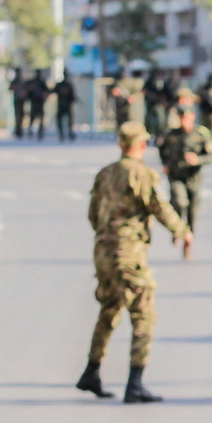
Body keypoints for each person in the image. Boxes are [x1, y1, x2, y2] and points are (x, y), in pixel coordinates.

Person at [77, 122, 191, 403]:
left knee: (110, 308)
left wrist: (107, 235)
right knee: (144, 313)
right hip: (128, 252)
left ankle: (92, 370)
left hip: (103, 251)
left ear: (120, 144)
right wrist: (181, 231)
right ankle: (135, 382)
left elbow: (93, 214)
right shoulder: (142, 174)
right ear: (142, 144)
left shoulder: (105, 173)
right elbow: (159, 207)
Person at [159, 103, 212, 231]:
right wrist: (165, 164)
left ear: (193, 116)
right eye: (181, 117)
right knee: (179, 201)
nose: (184, 121)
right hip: (176, 174)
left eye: (186, 117)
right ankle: (177, 230)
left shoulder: (201, 134)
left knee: (193, 208)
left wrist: (198, 159)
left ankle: (190, 233)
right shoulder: (171, 134)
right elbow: (162, 149)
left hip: (194, 176)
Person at [52, 74, 77, 141]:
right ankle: (62, 134)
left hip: (66, 105)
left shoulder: (68, 85)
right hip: (62, 105)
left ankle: (69, 133)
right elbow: (54, 91)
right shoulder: (62, 85)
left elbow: (72, 96)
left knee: (69, 121)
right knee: (61, 120)